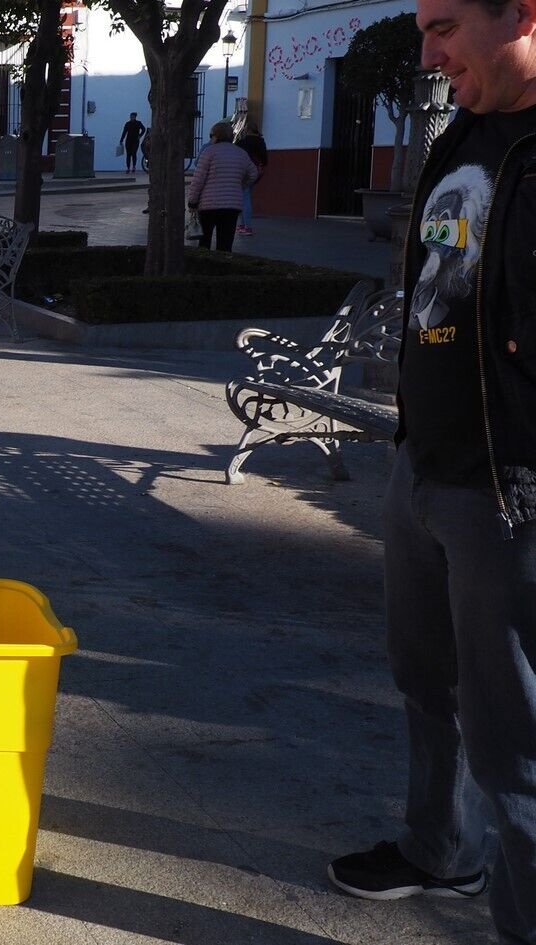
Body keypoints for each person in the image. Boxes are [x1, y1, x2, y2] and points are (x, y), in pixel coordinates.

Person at [326, 0, 536, 939]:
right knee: (427, 682)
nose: (427, 51)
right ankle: (441, 849)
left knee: (515, 743)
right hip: (424, 463)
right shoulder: (465, 132)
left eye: (445, 25)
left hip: (508, 485)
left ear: (522, 14)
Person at [185, 121, 256, 252]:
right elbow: (253, 174)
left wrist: (192, 201)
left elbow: (198, 179)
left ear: (216, 136)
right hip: (232, 205)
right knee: (225, 243)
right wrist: (239, 184)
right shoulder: (241, 153)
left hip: (208, 205)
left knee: (204, 241)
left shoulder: (208, 152)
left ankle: (205, 264)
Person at [234, 124, 268, 236]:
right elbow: (265, 159)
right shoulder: (261, 142)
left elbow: (237, 154)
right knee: (246, 195)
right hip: (257, 171)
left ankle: (247, 226)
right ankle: (243, 224)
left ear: (247, 130)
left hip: (244, 171)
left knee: (245, 197)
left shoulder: (242, 142)